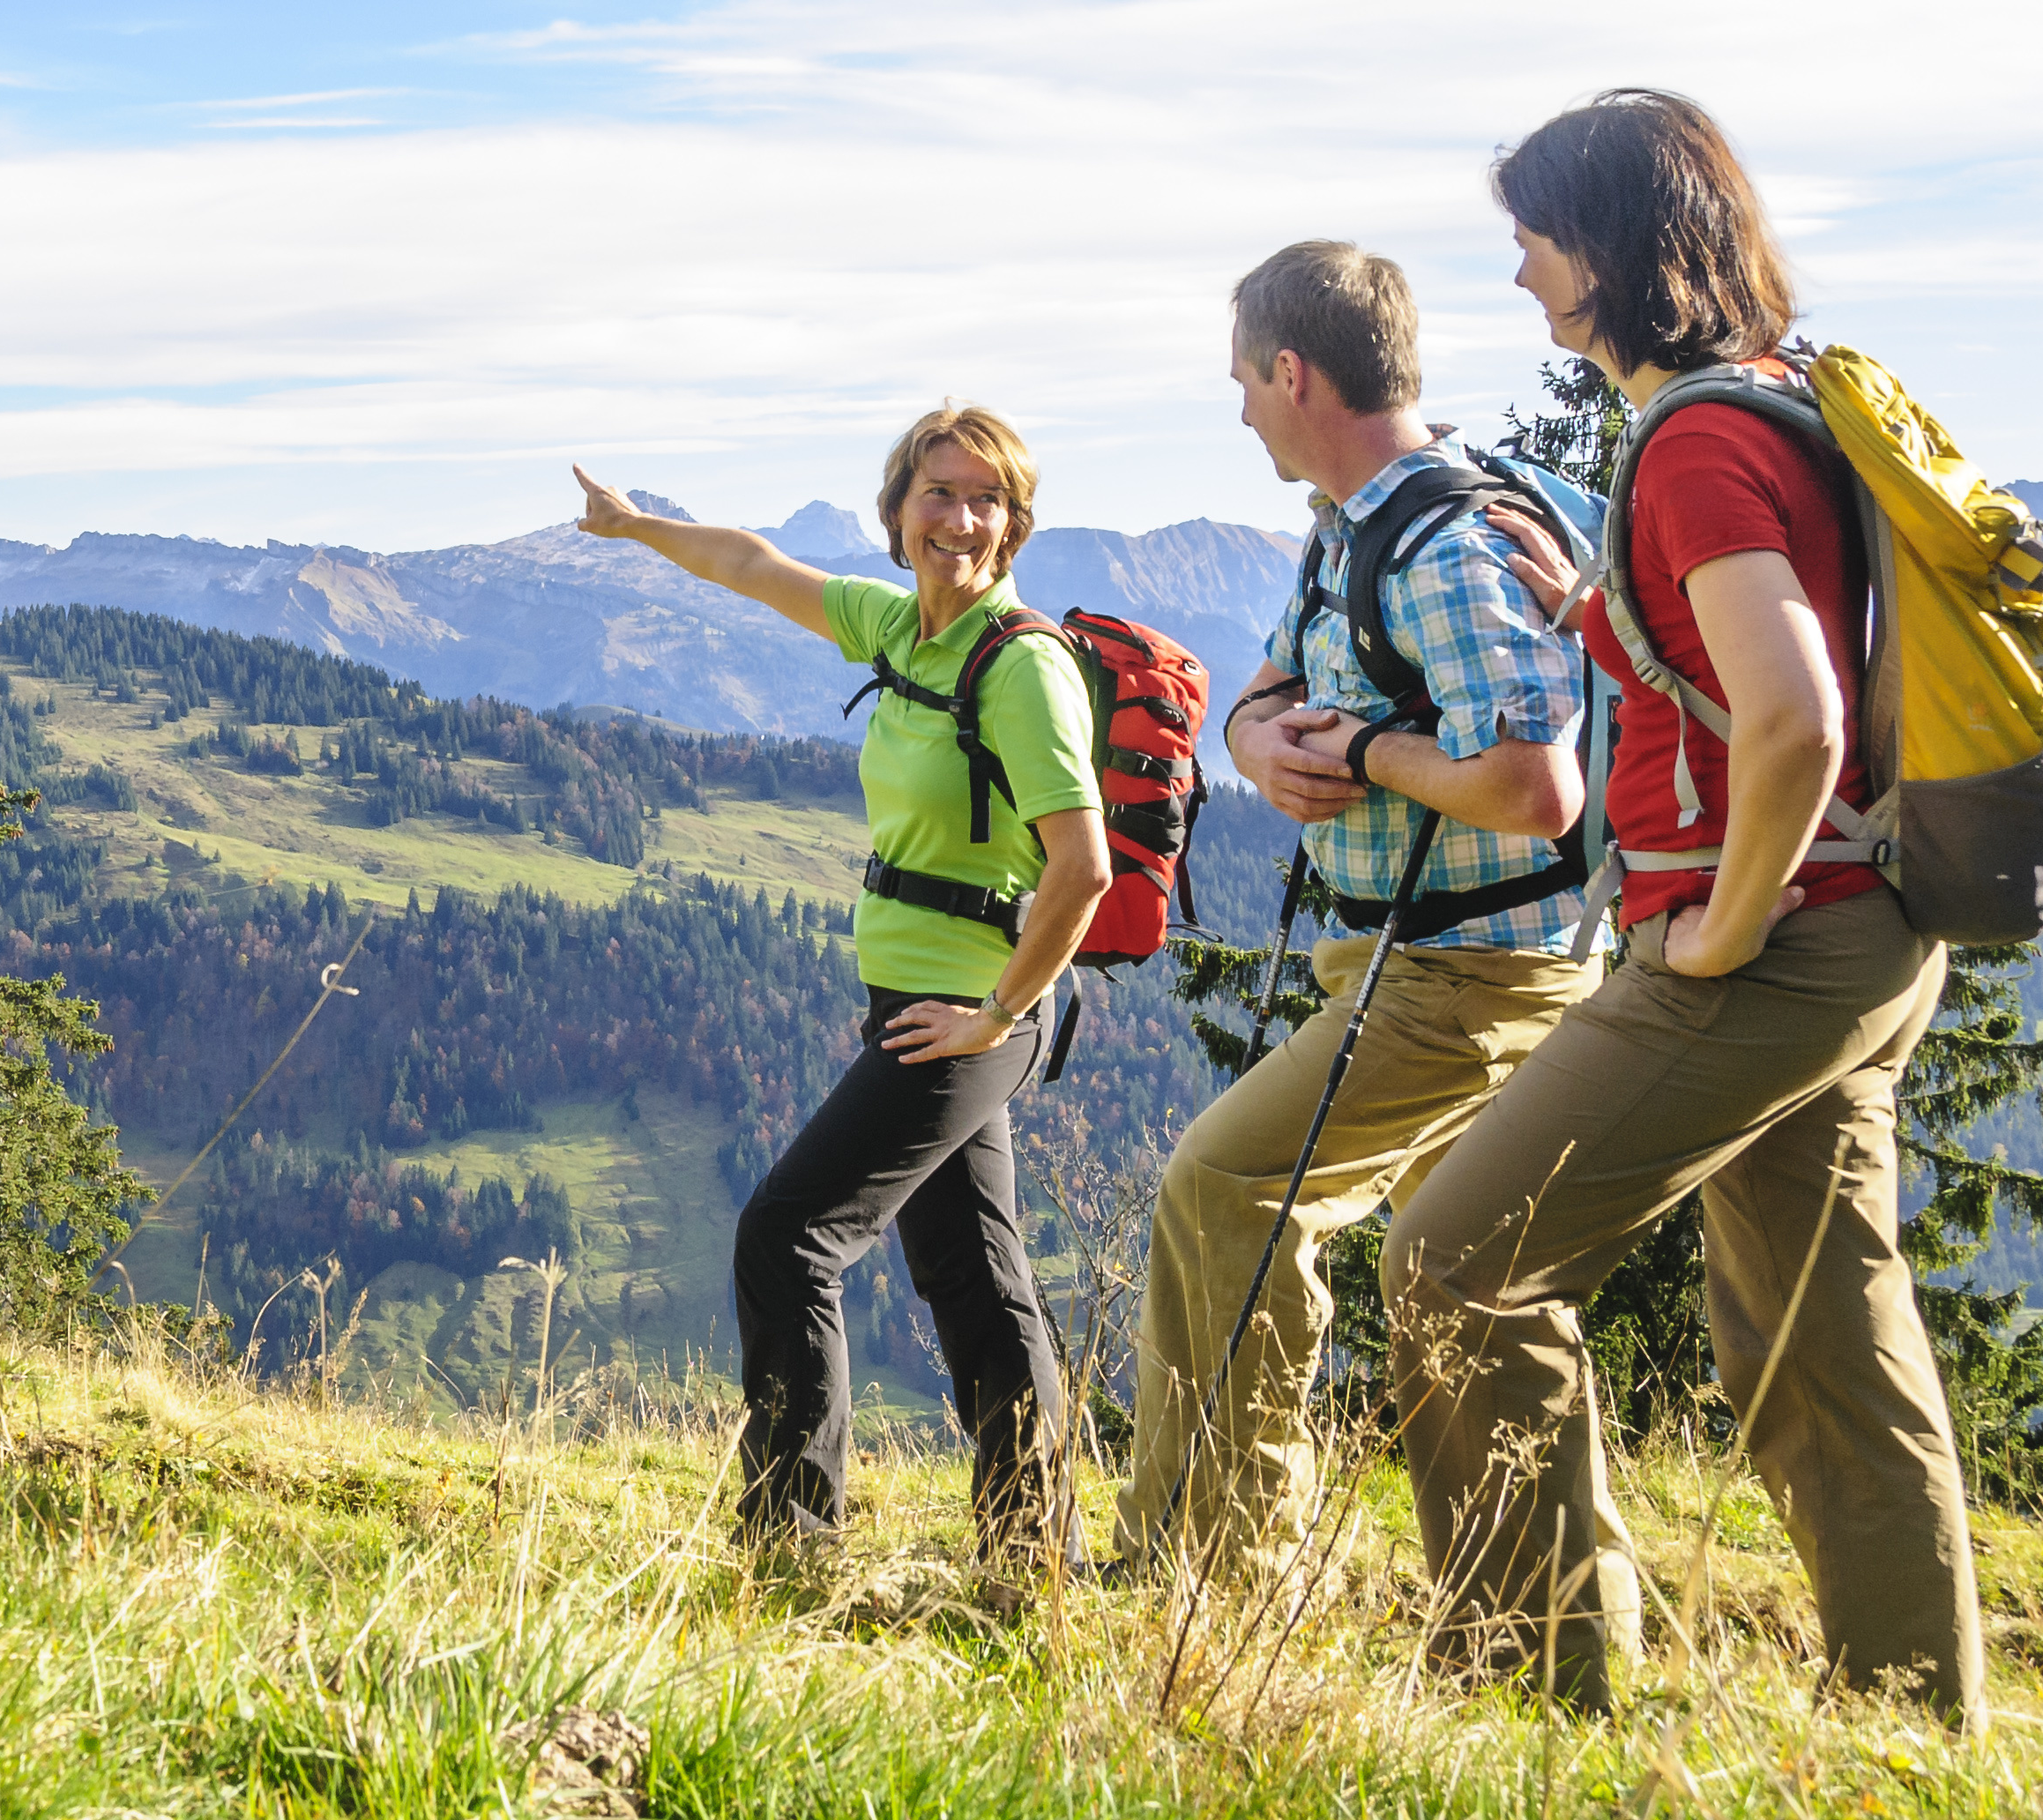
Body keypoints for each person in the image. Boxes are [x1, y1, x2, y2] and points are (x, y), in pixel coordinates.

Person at [1385, 88, 1982, 1719]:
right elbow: (1746, 672)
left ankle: (1533, 1680)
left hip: (1767, 950)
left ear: (1615, 249)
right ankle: (1914, 1724)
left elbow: (1793, 715)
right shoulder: (1772, 406)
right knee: (1827, 1349)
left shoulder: (1700, 439)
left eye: (1535, 242)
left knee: (1453, 1263)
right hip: (1865, 929)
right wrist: (1607, 611)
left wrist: (1718, 925)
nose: (1519, 279)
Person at [1112, 243, 1607, 1584]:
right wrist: (1261, 740)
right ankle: (1543, 1623)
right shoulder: (1353, 527)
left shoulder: (1441, 544)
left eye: (1242, 383)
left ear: (1293, 371)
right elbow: (1266, 696)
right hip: (1404, 965)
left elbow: (1536, 786)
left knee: (1226, 1186)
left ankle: (1216, 1568)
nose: (1240, 412)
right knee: (1480, 1295)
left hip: (1470, 980)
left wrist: (1368, 756)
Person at [573, 406, 1105, 1594]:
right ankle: (1038, 1564)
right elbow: (755, 567)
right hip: (923, 1002)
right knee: (975, 1279)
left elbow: (1083, 867)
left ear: (1017, 524)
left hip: (966, 1012)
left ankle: (791, 1546)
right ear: (898, 510)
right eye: (937, 492)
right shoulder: (899, 631)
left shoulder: (1019, 666)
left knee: (788, 1234)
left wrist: (998, 1019)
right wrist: (633, 527)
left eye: (985, 499)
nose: (959, 518)